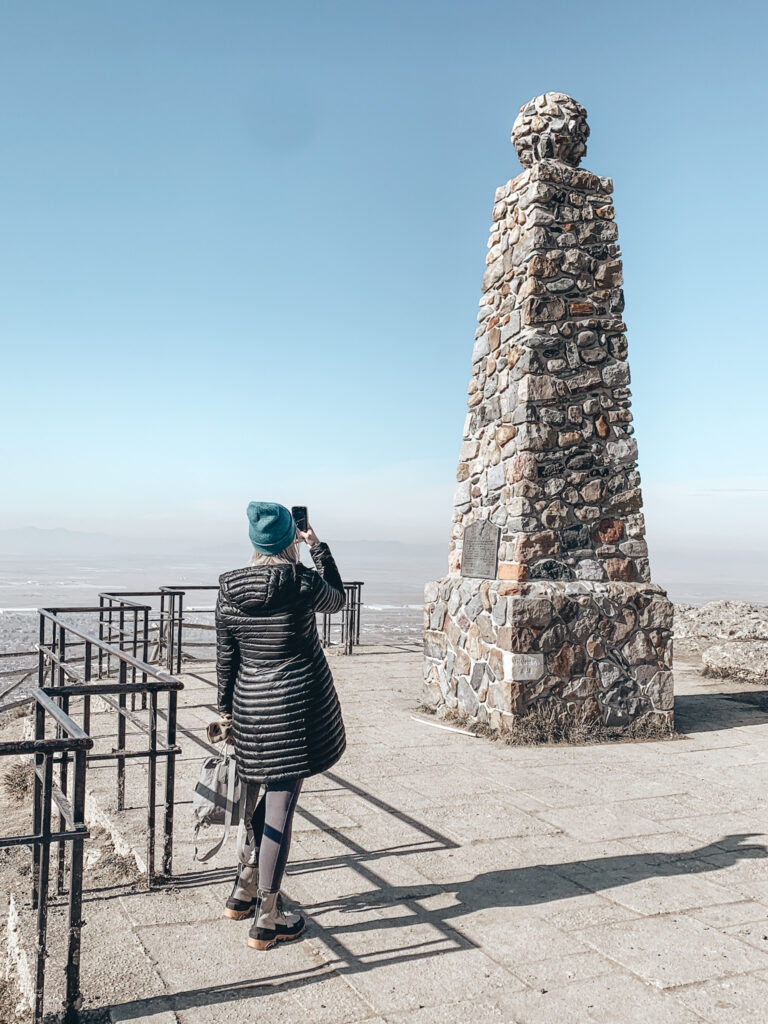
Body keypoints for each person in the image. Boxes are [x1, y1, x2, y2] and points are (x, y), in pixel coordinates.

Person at [214, 501, 346, 950]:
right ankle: (268, 919)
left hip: (250, 709)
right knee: (280, 809)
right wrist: (319, 548)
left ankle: (242, 890)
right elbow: (338, 599)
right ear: (291, 538)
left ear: (254, 543)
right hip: (293, 710)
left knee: (263, 797)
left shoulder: (229, 589)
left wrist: (226, 711)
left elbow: (226, 660)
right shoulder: (302, 580)